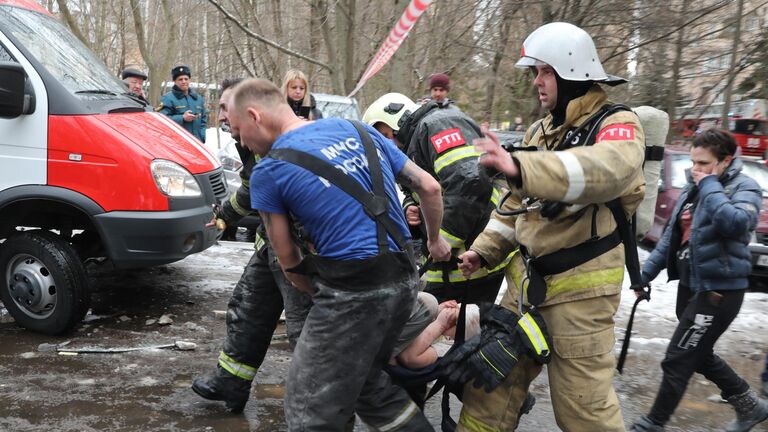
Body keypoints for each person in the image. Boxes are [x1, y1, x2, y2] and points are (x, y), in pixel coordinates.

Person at [229, 77, 452, 431]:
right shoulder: (360, 130)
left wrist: (326, 299)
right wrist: (435, 240)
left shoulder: (268, 171)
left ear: (255, 116)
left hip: (352, 293)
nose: (241, 141)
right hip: (404, 278)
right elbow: (429, 186)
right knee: (363, 382)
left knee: (308, 406)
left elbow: (289, 263)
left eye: (239, 131)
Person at [453, 22, 645, 431]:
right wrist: (483, 250)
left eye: (544, 72)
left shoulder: (618, 124)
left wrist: (521, 166)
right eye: (535, 73)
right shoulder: (540, 132)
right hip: (523, 290)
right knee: (487, 387)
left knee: (583, 412)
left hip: (582, 297)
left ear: (571, 72)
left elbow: (606, 170)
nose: (537, 82)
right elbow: (514, 209)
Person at [630, 129, 767, 432]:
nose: (696, 170)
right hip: (690, 286)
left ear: (726, 160)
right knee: (697, 352)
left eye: (704, 163)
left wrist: (710, 185)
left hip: (719, 291)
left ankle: (652, 423)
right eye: (693, 163)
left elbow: (736, 223)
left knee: (678, 358)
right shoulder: (692, 190)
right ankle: (750, 405)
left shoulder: (746, 187)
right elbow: (670, 239)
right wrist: (645, 276)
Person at [191, 78, 313, 413]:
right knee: (248, 309)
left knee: (305, 328)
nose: (223, 117)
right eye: (219, 109)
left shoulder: (279, 139)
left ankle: (319, 404)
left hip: (299, 250)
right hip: (269, 245)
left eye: (226, 108)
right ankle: (231, 382)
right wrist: (225, 215)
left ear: (250, 112)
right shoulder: (246, 142)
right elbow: (251, 186)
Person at [362, 92, 509, 304]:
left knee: (460, 325)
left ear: (396, 120)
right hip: (456, 256)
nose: (388, 144)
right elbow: (416, 190)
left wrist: (442, 239)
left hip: (475, 249)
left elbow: (469, 183)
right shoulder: (414, 141)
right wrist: (411, 207)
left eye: (386, 135)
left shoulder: (437, 126)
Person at [158, 65, 207, 142]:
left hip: (197, 142)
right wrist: (182, 118)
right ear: (174, 81)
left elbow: (203, 120)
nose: (184, 81)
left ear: (189, 80)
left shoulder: (198, 99)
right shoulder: (168, 98)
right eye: (180, 79)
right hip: (178, 143)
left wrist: (202, 137)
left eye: (186, 79)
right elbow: (161, 120)